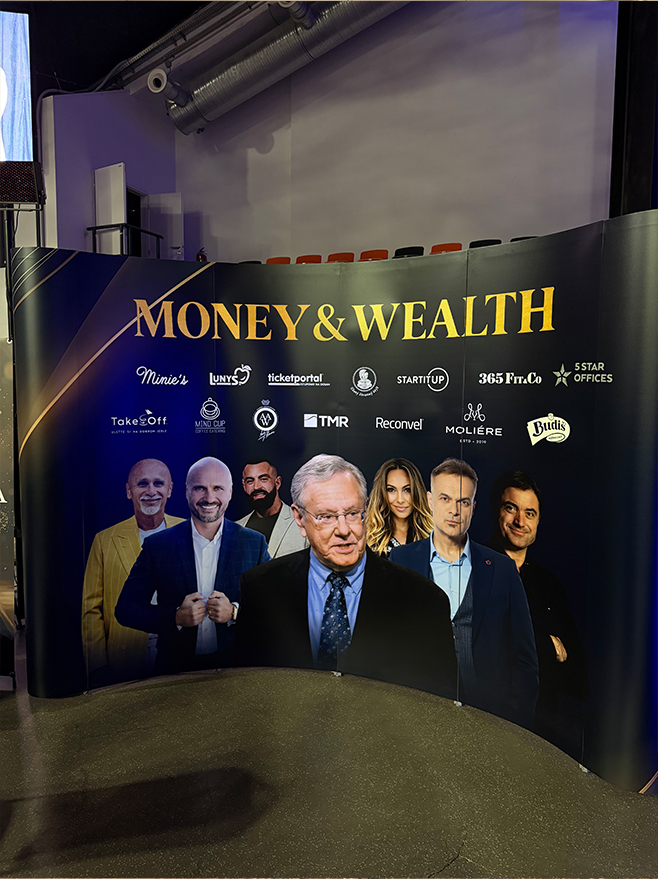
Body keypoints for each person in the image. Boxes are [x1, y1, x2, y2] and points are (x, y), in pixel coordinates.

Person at [235, 454, 457, 697]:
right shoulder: (260, 589)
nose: (343, 530)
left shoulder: (424, 600)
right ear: (299, 518)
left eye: (352, 513)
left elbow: (441, 708)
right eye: (326, 517)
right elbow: (248, 695)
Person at [391, 457, 538, 727]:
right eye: (445, 499)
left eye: (463, 502)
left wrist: (514, 725)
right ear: (430, 501)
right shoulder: (401, 560)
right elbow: (388, 647)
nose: (454, 511)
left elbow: (525, 660)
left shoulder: (502, 569)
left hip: (489, 720)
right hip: (419, 719)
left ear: (473, 507)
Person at [115, 456, 270, 675]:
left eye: (217, 488)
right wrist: (175, 617)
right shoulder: (157, 546)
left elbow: (273, 609)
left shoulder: (255, 543)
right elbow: (126, 610)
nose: (209, 497)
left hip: (236, 673)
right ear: (187, 491)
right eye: (200, 488)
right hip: (174, 674)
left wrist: (235, 613)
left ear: (230, 492)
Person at [486, 470, 586, 750]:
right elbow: (481, 650)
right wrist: (545, 645)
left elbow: (577, 674)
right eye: (511, 508)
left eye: (530, 513)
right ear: (496, 511)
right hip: (486, 724)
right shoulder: (471, 567)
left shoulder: (549, 584)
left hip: (541, 736)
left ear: (538, 520)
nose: (520, 521)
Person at [81, 458, 184, 686]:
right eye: (142, 484)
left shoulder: (189, 532)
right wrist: (97, 666)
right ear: (129, 491)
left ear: (170, 489)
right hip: (124, 659)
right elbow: (91, 609)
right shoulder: (104, 540)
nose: (151, 491)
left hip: (179, 655)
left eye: (158, 483)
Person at [236, 457, 308, 557]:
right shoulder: (236, 529)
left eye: (263, 479)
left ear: (277, 483)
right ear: (244, 486)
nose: (256, 487)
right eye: (250, 481)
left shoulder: (303, 522)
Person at [365, 457, 434, 557]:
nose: (400, 500)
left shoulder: (434, 537)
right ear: (382, 493)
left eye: (407, 490)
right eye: (391, 490)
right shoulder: (369, 539)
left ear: (417, 492)